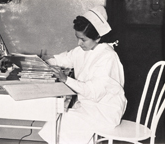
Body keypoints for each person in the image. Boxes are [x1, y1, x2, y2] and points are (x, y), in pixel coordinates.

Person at [38, 5, 127, 144]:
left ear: (97, 38)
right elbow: (65, 59)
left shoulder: (108, 57)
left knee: (63, 122)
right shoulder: (83, 50)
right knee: (58, 119)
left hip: (105, 111)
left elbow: (93, 92)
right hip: (88, 106)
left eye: (83, 39)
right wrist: (43, 61)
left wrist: (66, 79)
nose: (79, 43)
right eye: (77, 38)